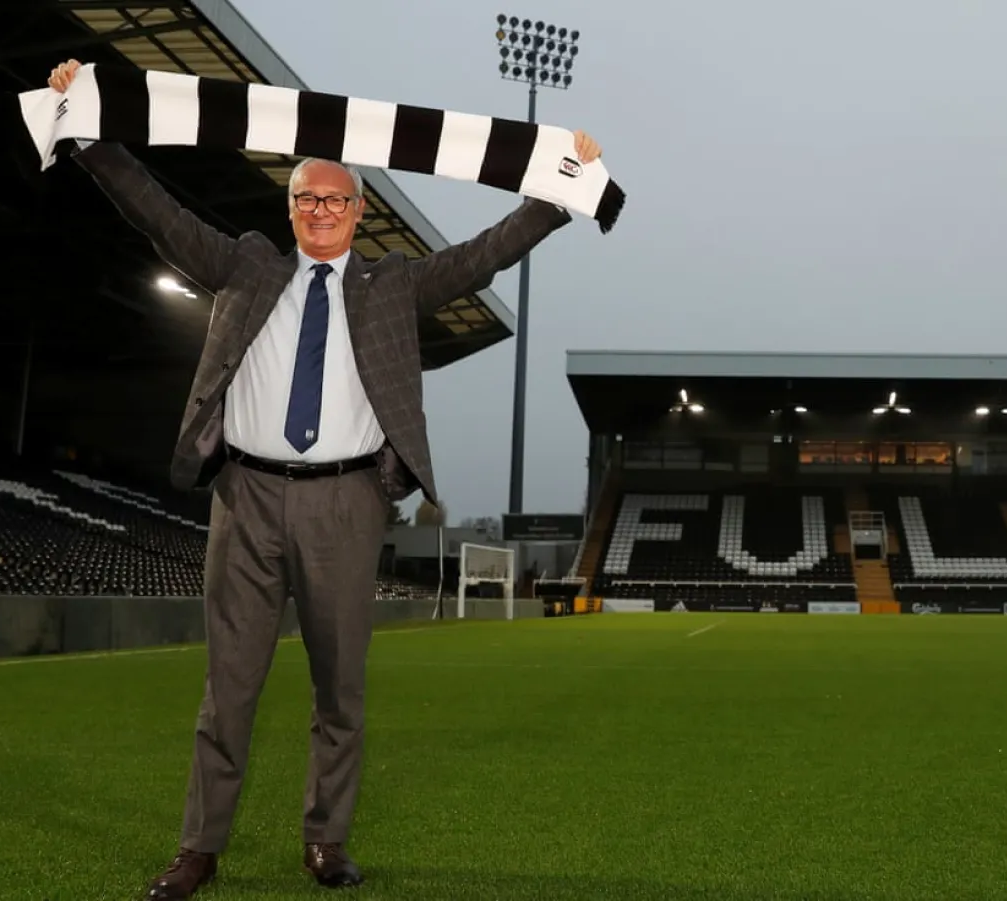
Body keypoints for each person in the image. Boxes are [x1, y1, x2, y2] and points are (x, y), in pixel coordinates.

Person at [45, 59, 600, 900]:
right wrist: (85, 130)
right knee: (227, 686)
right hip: (248, 497)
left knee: (339, 688)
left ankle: (325, 840)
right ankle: (199, 848)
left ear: (359, 211)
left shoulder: (394, 283)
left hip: (347, 500)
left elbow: (485, 255)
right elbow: (157, 211)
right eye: (307, 197)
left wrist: (557, 193)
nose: (321, 212)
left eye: (337, 200)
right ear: (290, 206)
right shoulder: (245, 265)